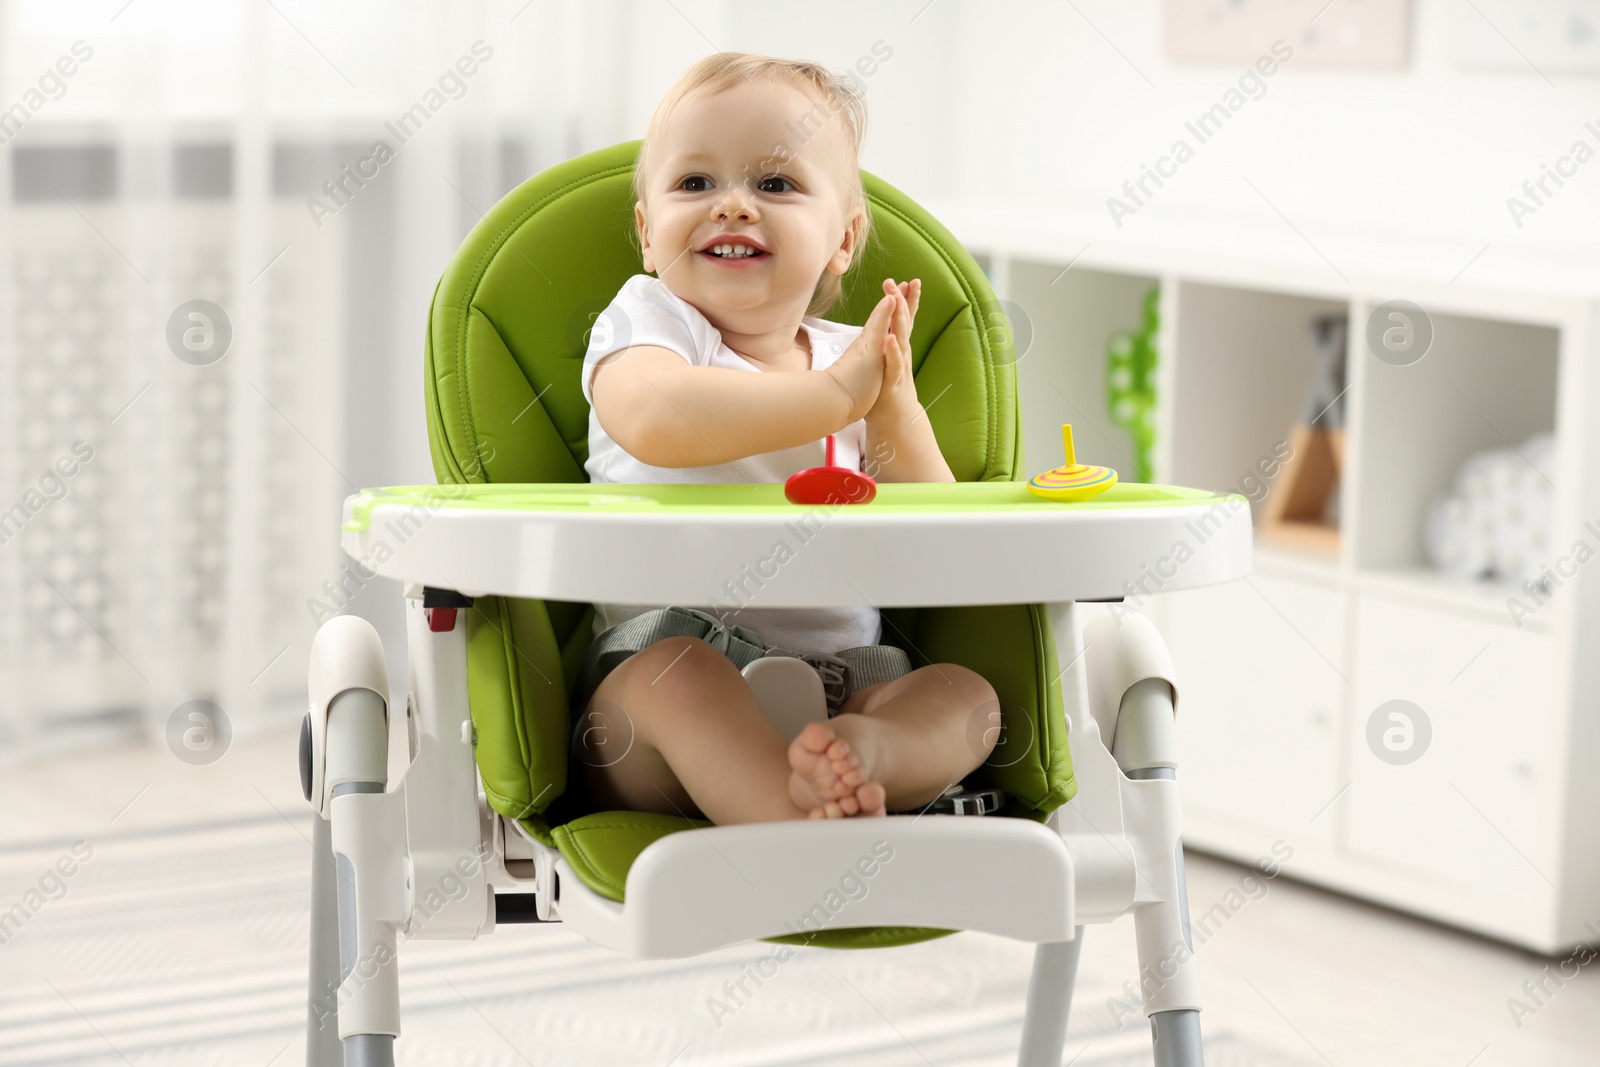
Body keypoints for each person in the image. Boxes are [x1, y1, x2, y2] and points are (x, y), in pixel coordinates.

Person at [572, 52, 1000, 825]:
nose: (732, 206)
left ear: (842, 239)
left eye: (774, 184)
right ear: (646, 233)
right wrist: (835, 397)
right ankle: (797, 820)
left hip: (844, 680)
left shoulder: (856, 357)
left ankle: (862, 756)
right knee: (679, 677)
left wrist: (892, 401)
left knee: (968, 700)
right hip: (658, 686)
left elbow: (938, 530)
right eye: (695, 183)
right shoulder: (649, 324)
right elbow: (656, 417)